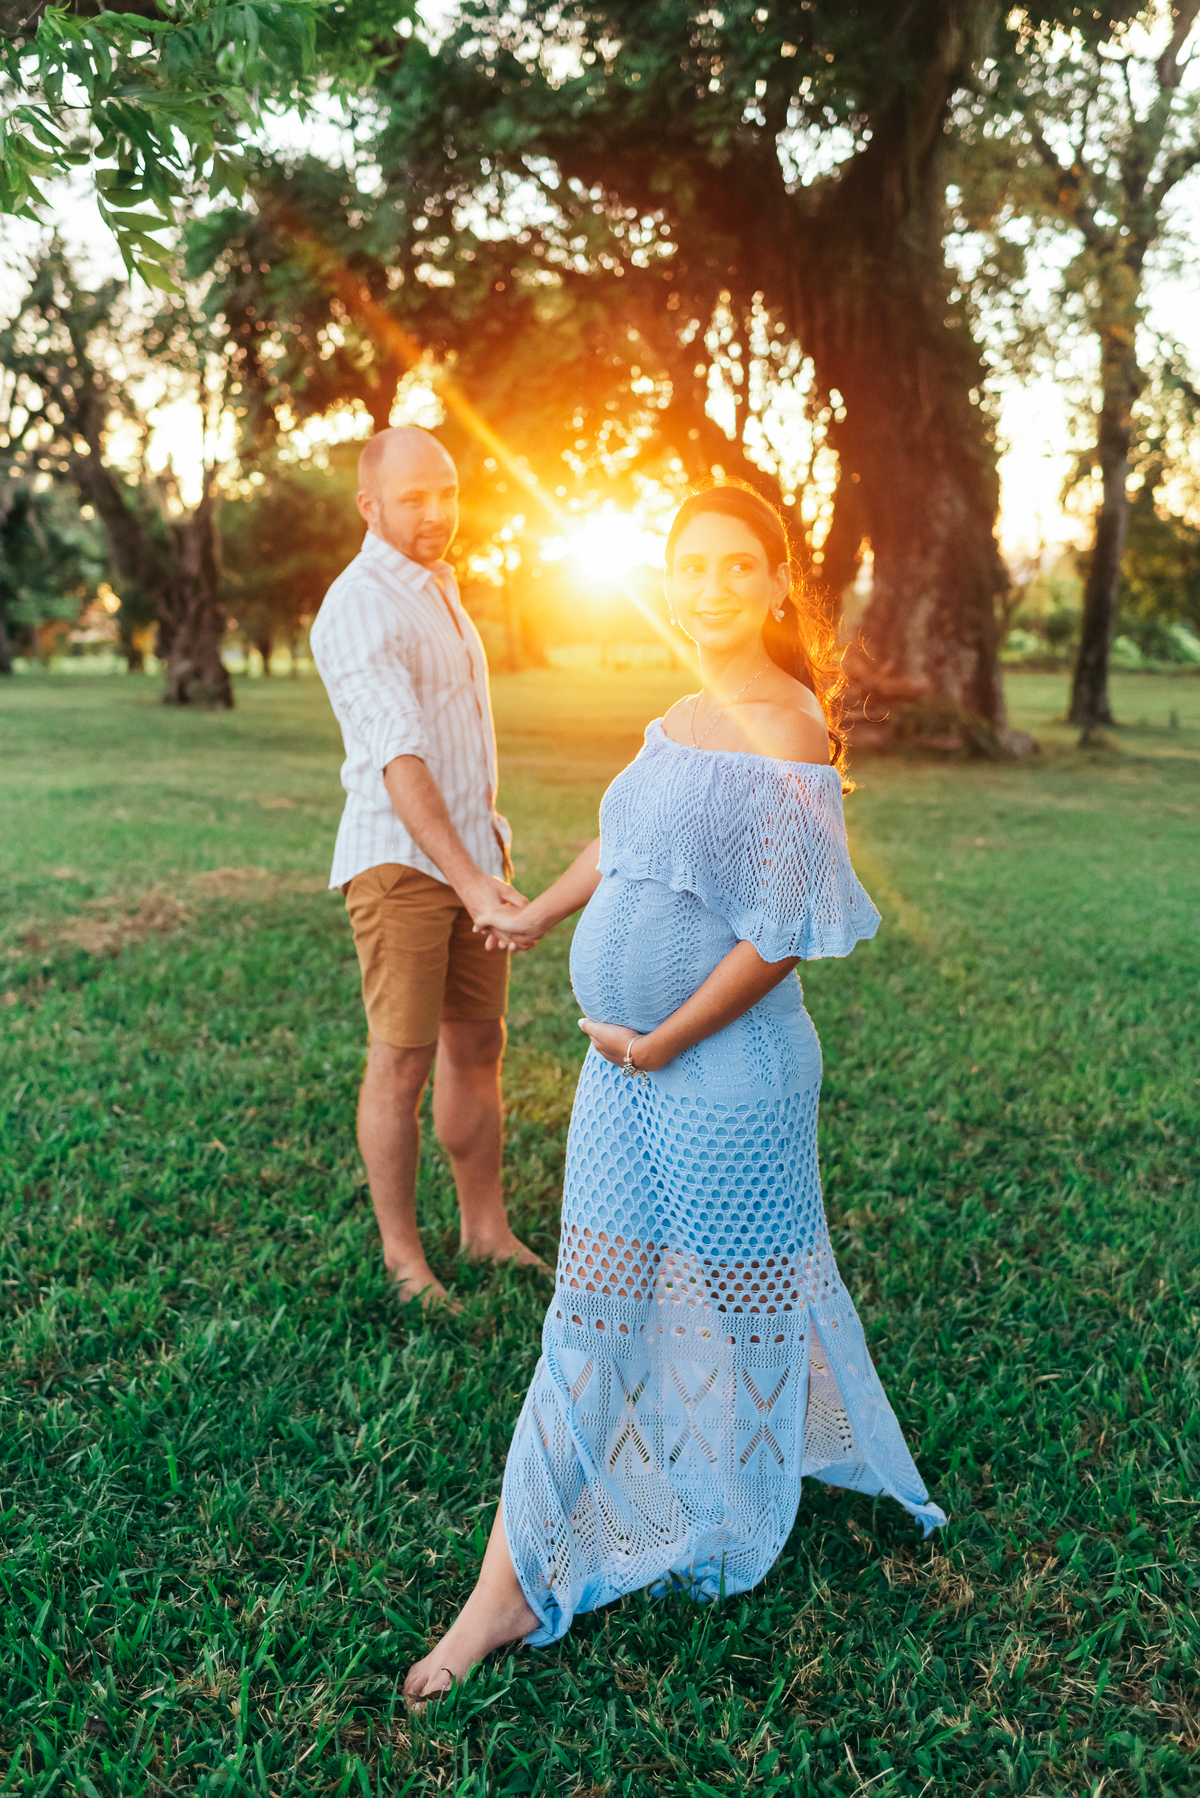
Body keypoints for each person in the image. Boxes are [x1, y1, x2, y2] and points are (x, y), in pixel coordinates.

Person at [403, 479, 946, 1700]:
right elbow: (626, 843)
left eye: (735, 566)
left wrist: (664, 1040)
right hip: (623, 1078)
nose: (709, 587)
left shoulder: (788, 724)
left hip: (729, 1079)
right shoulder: (683, 713)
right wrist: (538, 911)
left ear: (775, 582)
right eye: (688, 566)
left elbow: (784, 935)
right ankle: (502, 1594)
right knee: (587, 1319)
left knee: (742, 1308)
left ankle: (734, 1502)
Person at [310, 426, 539, 1308]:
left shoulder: (438, 586)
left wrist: (483, 860)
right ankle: (407, 1262)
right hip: (403, 866)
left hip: (470, 855)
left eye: (447, 492)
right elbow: (400, 756)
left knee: (477, 1045)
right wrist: (468, 878)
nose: (438, 512)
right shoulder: (362, 603)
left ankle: (485, 1233)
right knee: (401, 1061)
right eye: (415, 498)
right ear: (370, 506)